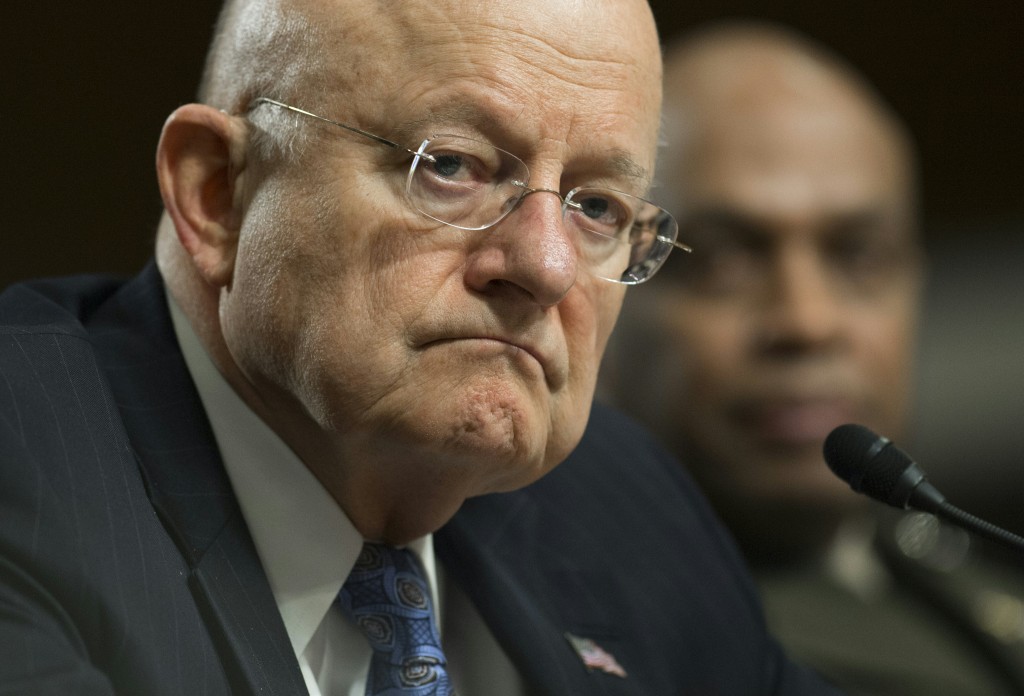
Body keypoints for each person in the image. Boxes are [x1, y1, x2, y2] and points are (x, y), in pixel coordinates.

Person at [0, 2, 846, 694]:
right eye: (453, 165)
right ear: (218, 194)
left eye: (597, 208)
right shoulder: (25, 467)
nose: (547, 267)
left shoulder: (626, 513)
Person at [601, 20, 1024, 695]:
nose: (807, 319)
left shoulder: (962, 585)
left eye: (857, 255)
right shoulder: (562, 621)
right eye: (721, 260)